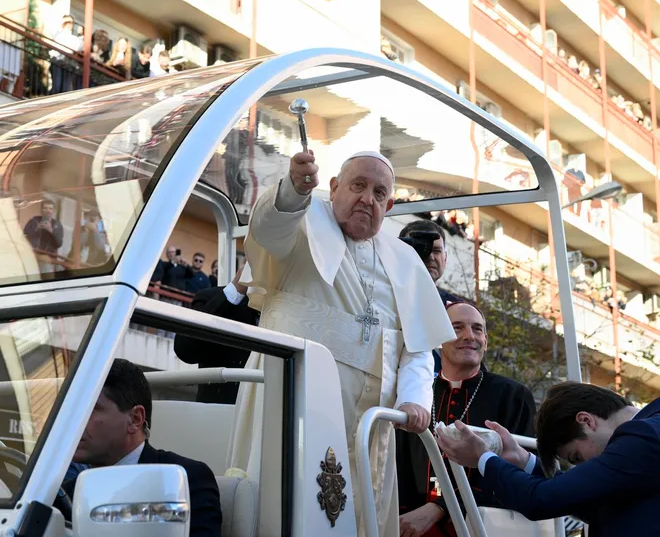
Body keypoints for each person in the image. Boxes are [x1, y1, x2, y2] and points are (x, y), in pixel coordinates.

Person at [230, 149, 456, 536]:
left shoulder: (404, 260)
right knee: (284, 504)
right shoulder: (303, 221)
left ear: (390, 203)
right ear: (334, 187)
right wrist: (292, 189)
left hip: (368, 425)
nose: (368, 198)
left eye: (380, 193)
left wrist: (416, 398)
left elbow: (416, 347)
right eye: (358, 186)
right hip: (294, 401)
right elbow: (270, 228)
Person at [436, 382, 660, 537]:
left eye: (576, 457)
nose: (584, 467)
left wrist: (483, 458)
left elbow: (541, 501)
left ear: (586, 421)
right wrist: (523, 460)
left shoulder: (644, 437)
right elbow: (592, 503)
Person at [397, 301, 536, 537]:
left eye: (477, 329)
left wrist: (440, 508)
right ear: (439, 338)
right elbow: (399, 464)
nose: (469, 336)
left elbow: (517, 471)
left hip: (483, 524)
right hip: (413, 526)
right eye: (457, 328)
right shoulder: (415, 393)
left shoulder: (513, 395)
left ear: (486, 341)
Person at [62, 359, 222, 536]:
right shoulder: (66, 493)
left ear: (135, 419)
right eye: (72, 409)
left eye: (90, 408)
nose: (74, 421)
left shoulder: (187, 481)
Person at [174, 261, 256, 404]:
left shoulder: (291, 312)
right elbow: (185, 349)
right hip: (220, 414)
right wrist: (235, 292)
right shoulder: (211, 297)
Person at [398, 219, 461, 376]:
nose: (430, 257)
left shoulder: (456, 308)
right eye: (422, 249)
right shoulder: (382, 294)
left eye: (437, 251)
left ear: (445, 258)